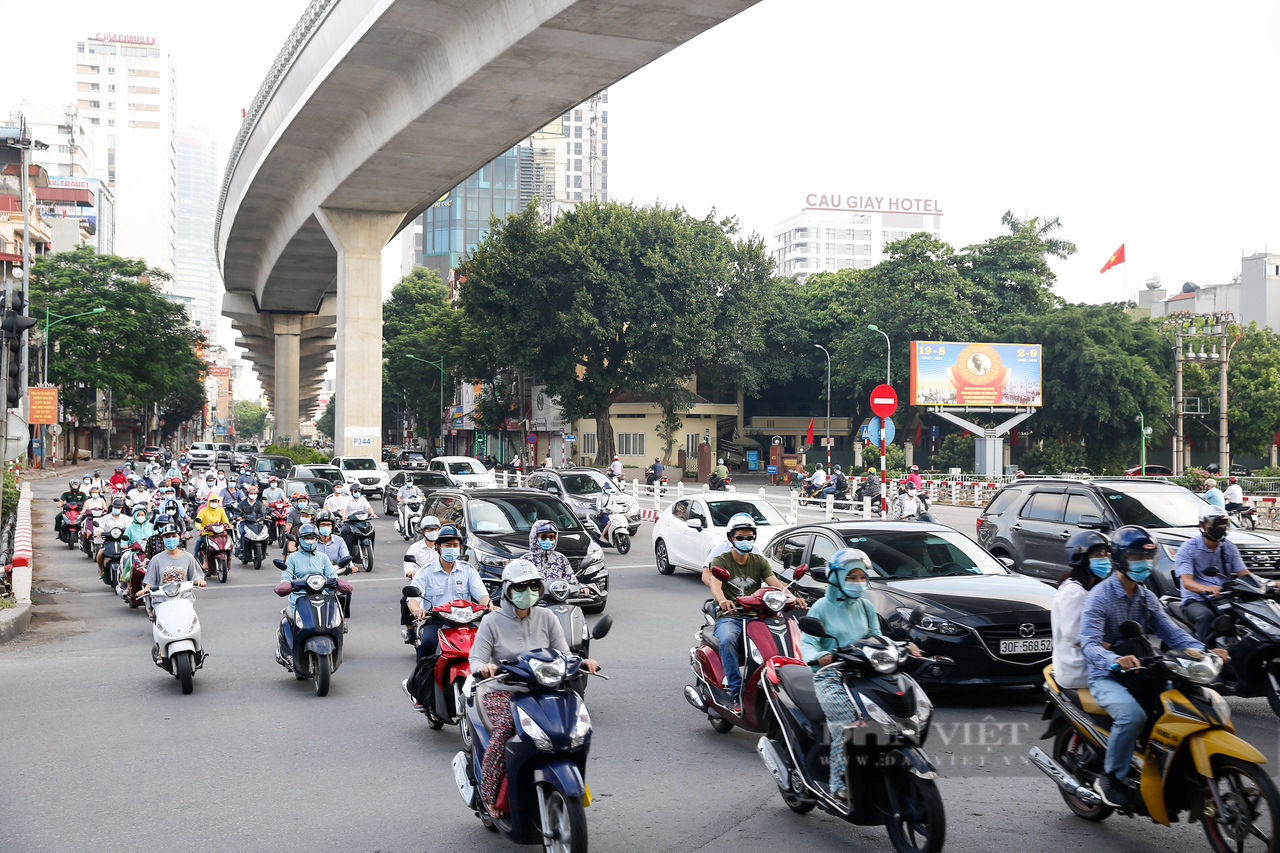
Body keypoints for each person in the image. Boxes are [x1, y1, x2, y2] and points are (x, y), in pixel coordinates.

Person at [1080, 526, 1223, 808]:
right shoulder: (1099, 597)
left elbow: (1174, 633)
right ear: (1121, 559)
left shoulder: (1146, 597)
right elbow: (1089, 644)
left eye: (1149, 557)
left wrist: (1208, 652)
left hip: (1143, 671)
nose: (1145, 564)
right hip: (1106, 676)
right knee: (1132, 717)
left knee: (1182, 707)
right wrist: (1115, 660)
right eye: (1137, 557)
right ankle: (1112, 777)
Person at [468, 560, 598, 817]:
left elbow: (564, 653)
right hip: (502, 690)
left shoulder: (547, 616)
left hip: (544, 688)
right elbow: (476, 659)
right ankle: (490, 795)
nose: (527, 592)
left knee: (572, 727)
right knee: (506, 728)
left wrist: (582, 662)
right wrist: (485, 668)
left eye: (533, 586)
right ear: (507, 589)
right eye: (520, 587)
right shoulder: (492, 621)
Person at [800, 548, 918, 801]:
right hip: (832, 674)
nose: (857, 582)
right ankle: (838, 782)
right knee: (848, 723)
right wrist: (819, 657)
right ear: (836, 578)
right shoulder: (821, 607)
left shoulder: (865, 606)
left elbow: (877, 637)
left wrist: (903, 646)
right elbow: (807, 643)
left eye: (861, 577)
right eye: (851, 577)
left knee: (902, 708)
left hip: (865, 671)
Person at [703, 513, 790, 713]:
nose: (745, 541)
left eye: (749, 537)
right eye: (740, 537)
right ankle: (736, 693)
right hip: (731, 615)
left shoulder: (759, 561)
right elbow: (715, 586)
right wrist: (723, 600)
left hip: (758, 615)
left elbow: (775, 584)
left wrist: (792, 596)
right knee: (727, 640)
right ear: (731, 538)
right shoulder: (721, 559)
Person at [1175, 505, 1252, 645]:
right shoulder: (1188, 548)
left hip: (1221, 598)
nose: (1220, 527)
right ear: (1202, 525)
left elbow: (1244, 574)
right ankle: (1205, 654)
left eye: (1223, 523)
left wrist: (1266, 584)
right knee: (1205, 616)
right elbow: (1187, 582)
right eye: (1216, 523)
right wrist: (1207, 588)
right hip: (1195, 600)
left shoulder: (1229, 547)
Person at [1051, 531, 1112, 689]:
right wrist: (1110, 646)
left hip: (1093, 664)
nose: (1105, 559)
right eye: (1098, 555)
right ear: (1082, 558)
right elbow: (1073, 635)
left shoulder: (1094, 589)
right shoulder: (1073, 592)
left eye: (1107, 554)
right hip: (1078, 670)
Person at [277, 524, 343, 619]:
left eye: (313, 538)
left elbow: (332, 575)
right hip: (299, 598)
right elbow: (286, 576)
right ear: (300, 539)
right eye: (307, 538)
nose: (310, 541)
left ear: (317, 539)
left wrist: (339, 583)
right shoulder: (292, 558)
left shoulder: (323, 557)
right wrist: (285, 585)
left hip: (322, 597)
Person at [140, 523, 207, 618]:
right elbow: (150, 583)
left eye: (173, 536)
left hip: (184, 600)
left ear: (179, 537)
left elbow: (196, 576)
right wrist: (144, 591)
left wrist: (200, 581)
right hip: (162, 602)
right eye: (167, 537)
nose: (171, 539)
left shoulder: (188, 557)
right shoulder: (156, 560)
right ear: (163, 539)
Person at [519, 519, 591, 596]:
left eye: (551, 537)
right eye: (543, 537)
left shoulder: (561, 559)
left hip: (558, 602)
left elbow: (572, 582)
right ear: (535, 537)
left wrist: (581, 588)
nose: (548, 540)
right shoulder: (524, 561)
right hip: (534, 604)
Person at [95, 498, 132, 580]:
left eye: (118, 508)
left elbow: (129, 527)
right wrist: (99, 532)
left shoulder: (126, 518)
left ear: (121, 509)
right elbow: (100, 527)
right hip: (109, 541)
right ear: (112, 507)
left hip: (122, 540)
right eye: (115, 507)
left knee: (129, 555)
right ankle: (102, 570)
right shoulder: (105, 518)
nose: (116, 509)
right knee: (100, 554)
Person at [339, 485, 375, 568]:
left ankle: (370, 549)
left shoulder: (363, 499)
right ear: (351, 492)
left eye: (359, 491)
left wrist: (372, 513)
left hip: (362, 521)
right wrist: (344, 516)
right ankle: (346, 552)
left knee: (371, 529)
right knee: (344, 531)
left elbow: (368, 507)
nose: (357, 493)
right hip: (350, 521)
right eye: (355, 491)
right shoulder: (347, 499)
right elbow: (343, 508)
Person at [194, 494, 231, 570]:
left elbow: (225, 521)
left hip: (219, 533)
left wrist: (228, 525)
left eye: (216, 501)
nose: (214, 503)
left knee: (228, 540)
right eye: (212, 501)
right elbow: (197, 521)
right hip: (207, 533)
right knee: (199, 540)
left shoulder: (221, 510)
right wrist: (200, 527)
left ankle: (229, 556)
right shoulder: (203, 510)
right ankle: (197, 558)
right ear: (209, 501)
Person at [233, 485, 267, 562]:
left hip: (256, 523)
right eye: (251, 493)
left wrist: (265, 516)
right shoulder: (242, 503)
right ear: (247, 494)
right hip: (245, 523)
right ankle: (242, 550)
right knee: (243, 533)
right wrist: (238, 516)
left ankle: (263, 551)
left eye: (255, 493)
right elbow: (237, 512)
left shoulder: (259, 503)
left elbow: (263, 513)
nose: (253, 495)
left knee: (264, 534)